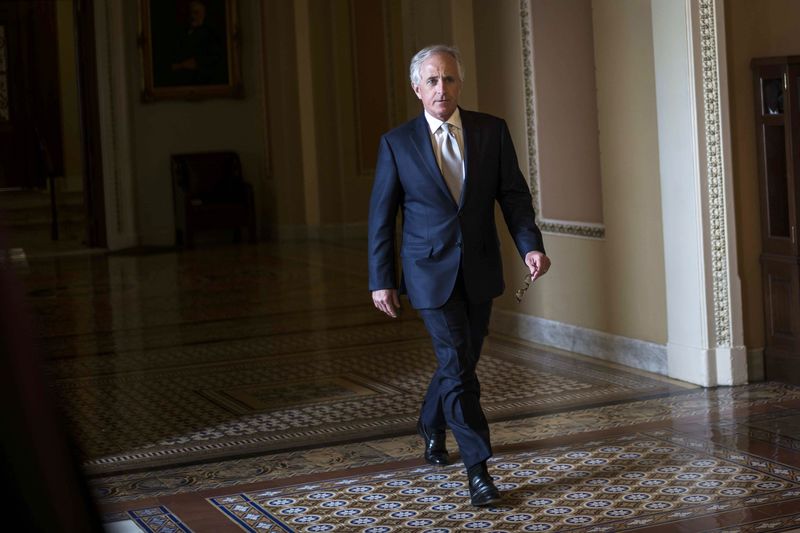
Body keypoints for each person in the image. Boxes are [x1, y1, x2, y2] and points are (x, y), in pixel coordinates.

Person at [368, 44, 551, 507]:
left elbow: (513, 195)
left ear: (459, 84)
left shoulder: (491, 131)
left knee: (460, 361)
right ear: (417, 89)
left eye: (448, 79)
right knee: (459, 369)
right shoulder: (396, 143)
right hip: (428, 271)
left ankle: (431, 421)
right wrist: (381, 278)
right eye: (432, 80)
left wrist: (530, 245)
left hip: (480, 268)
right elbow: (382, 217)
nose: (441, 88)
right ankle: (479, 470)